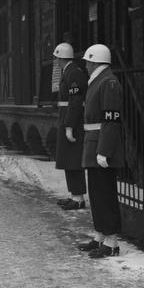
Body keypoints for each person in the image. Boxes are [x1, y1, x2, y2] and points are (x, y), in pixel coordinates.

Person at [77, 43, 124, 258]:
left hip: (101, 146)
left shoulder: (109, 82)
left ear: (95, 61)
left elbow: (111, 120)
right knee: (96, 193)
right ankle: (100, 235)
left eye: (88, 61)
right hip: (93, 143)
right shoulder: (98, 81)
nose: (86, 65)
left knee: (105, 194)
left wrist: (104, 150)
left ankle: (112, 241)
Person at [53, 43, 88, 210]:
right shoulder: (69, 71)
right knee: (68, 159)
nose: (56, 61)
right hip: (66, 116)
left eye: (57, 58)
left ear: (61, 58)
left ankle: (79, 198)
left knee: (73, 159)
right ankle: (74, 194)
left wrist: (69, 126)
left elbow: (75, 101)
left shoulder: (74, 73)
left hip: (71, 119)